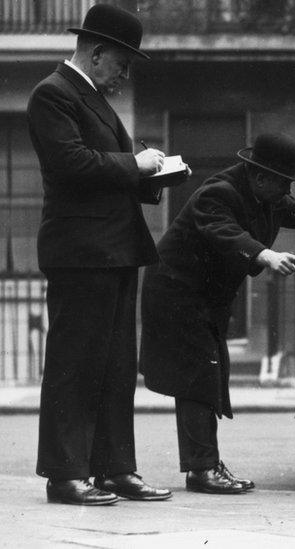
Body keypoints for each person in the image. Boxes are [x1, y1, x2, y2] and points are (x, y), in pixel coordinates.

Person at [139, 132, 295, 495]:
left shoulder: (267, 195)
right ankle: (202, 469)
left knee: (205, 377)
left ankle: (203, 466)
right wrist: (266, 255)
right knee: (197, 378)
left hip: (202, 297)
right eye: (284, 182)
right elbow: (223, 231)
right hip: (177, 293)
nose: (288, 191)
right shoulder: (218, 193)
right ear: (261, 176)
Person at [27, 4, 180, 506]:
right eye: (122, 63)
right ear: (96, 54)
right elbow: (70, 164)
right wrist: (136, 164)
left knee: (115, 367)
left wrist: (153, 173)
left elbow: (103, 169)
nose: (124, 74)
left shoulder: (90, 97)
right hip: (81, 253)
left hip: (111, 250)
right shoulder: (52, 93)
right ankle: (65, 475)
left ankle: (115, 469)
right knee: (74, 364)